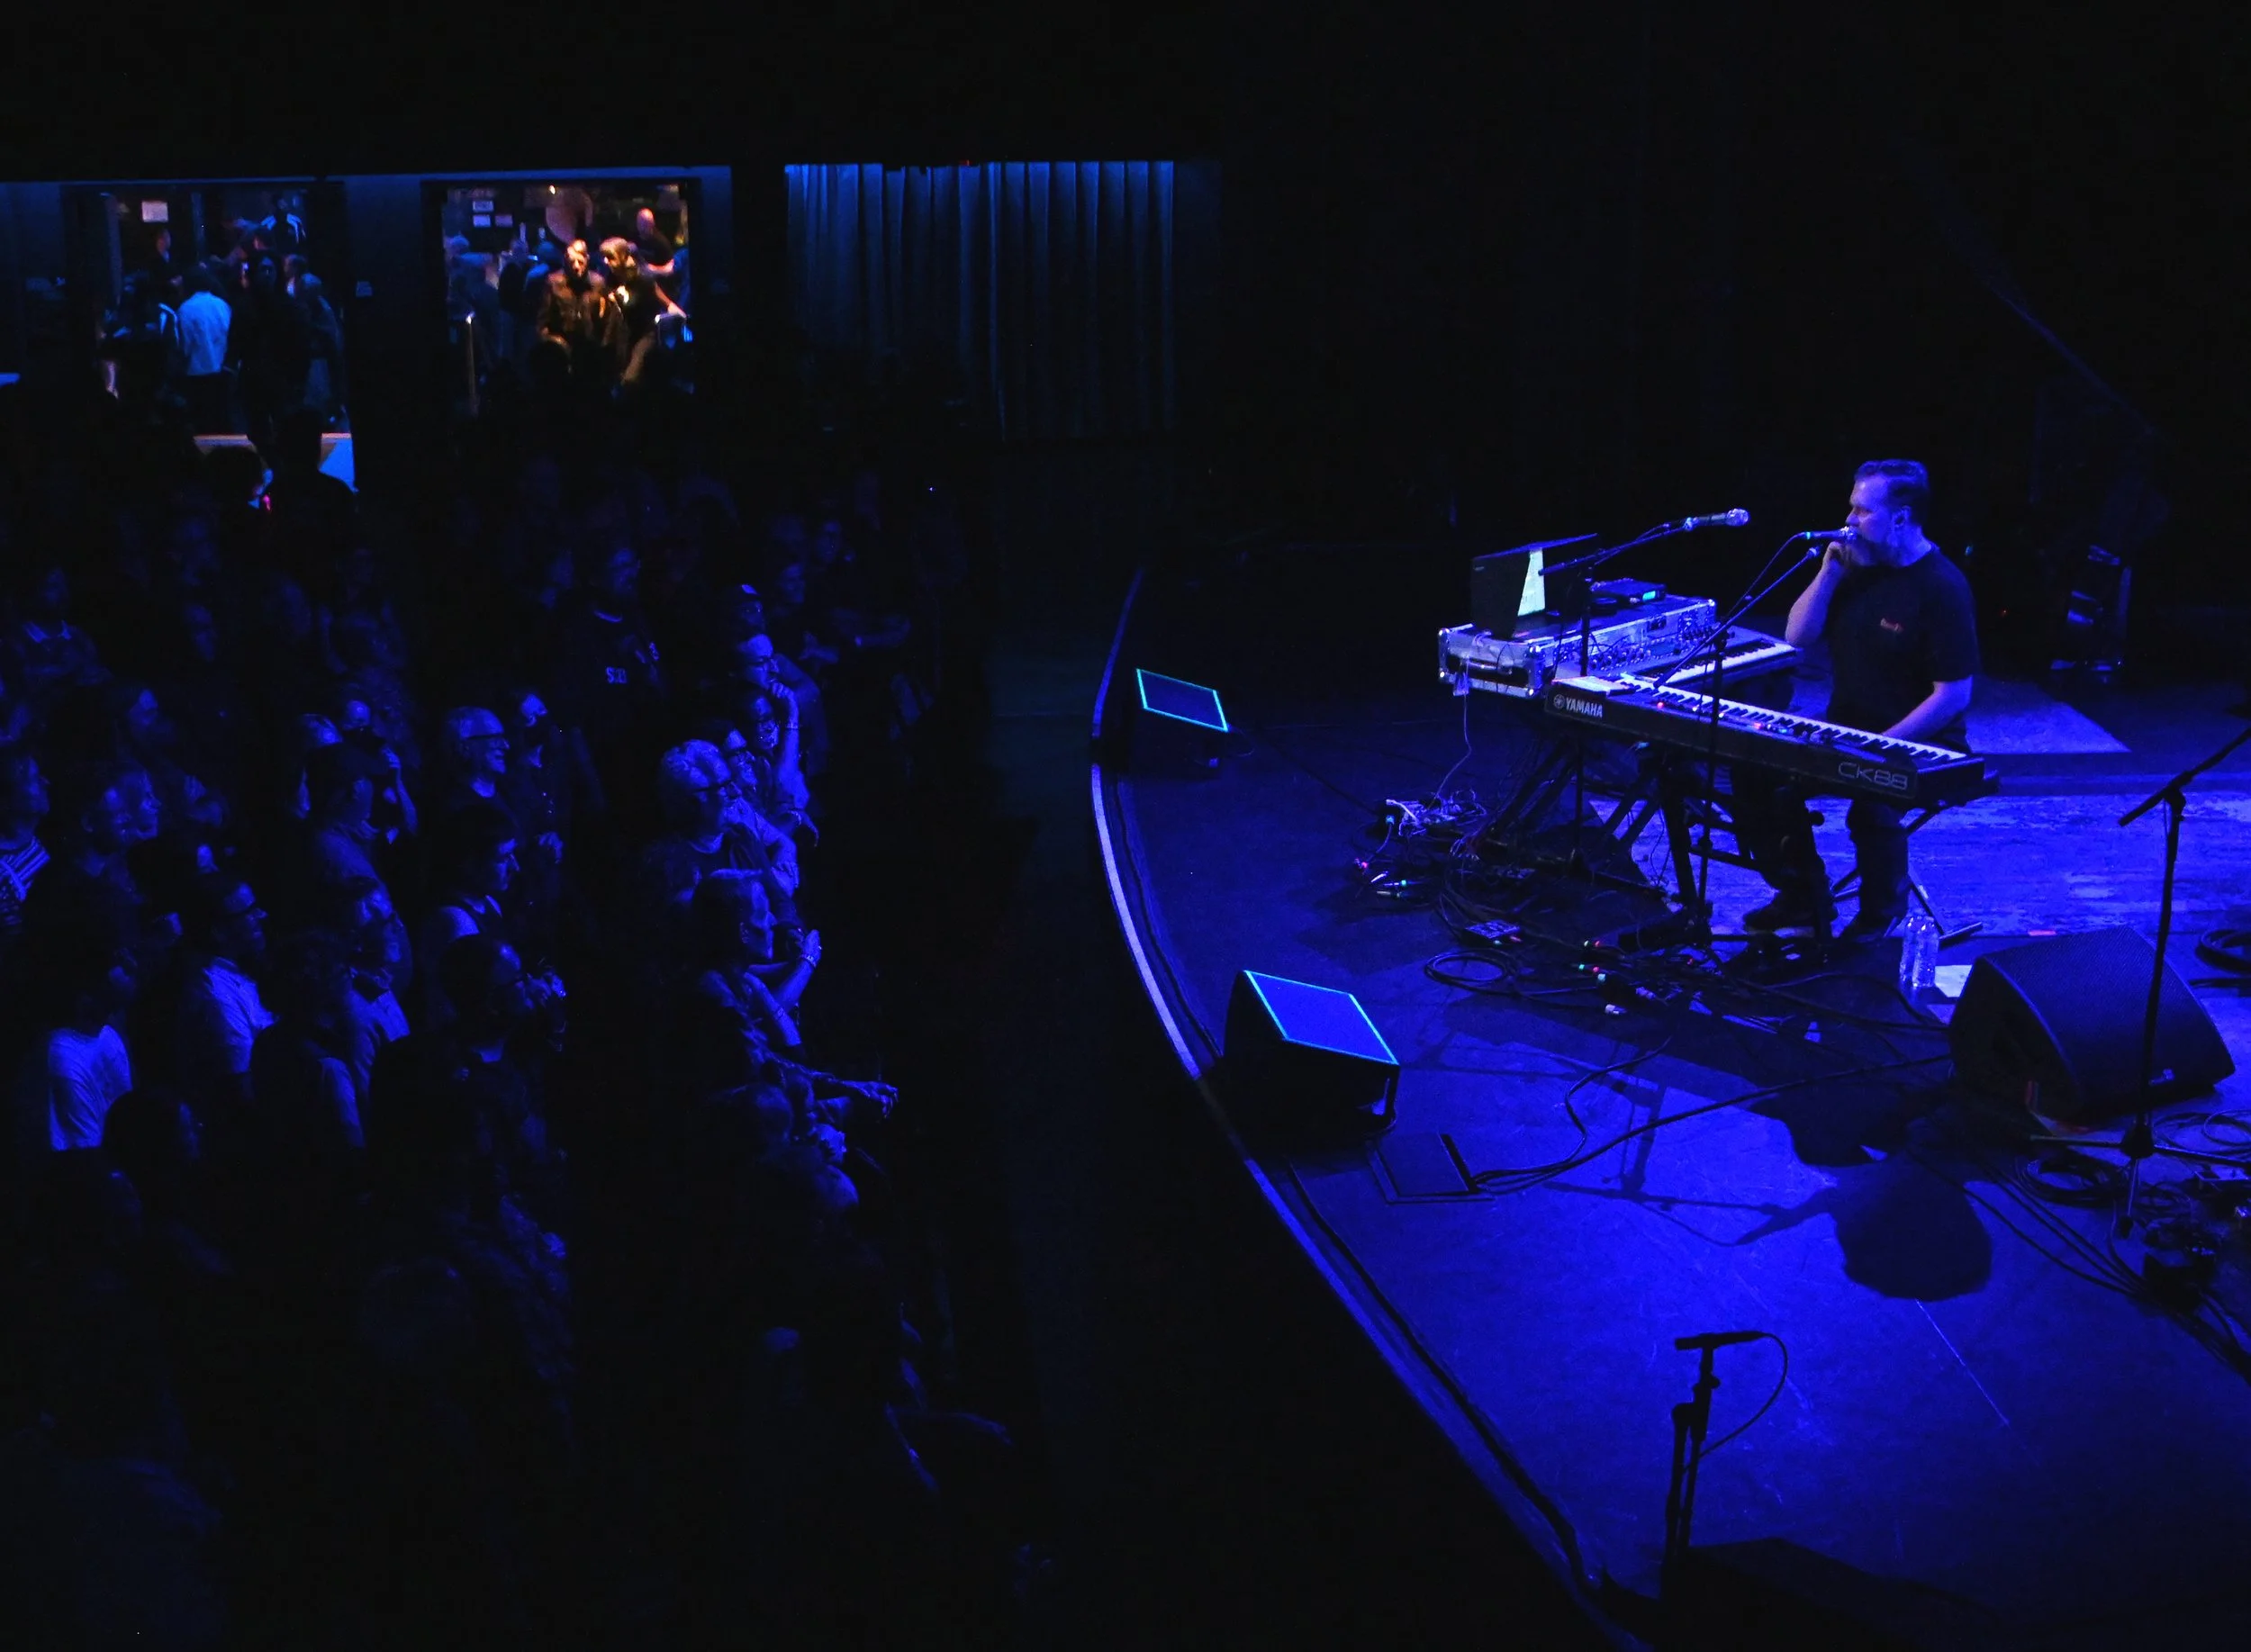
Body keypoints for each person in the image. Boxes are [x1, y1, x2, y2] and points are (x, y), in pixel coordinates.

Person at [1734, 460, 1980, 939]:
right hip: (1847, 726)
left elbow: (1953, 697)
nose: (1848, 521)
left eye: (1862, 511)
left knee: (1872, 801)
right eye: (1851, 508)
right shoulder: (1856, 568)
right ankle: (1802, 893)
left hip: (1919, 741)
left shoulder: (1942, 588)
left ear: (1902, 518)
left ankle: (1878, 917)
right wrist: (1827, 575)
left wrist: (1880, 745)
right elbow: (1796, 636)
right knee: (1754, 768)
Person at [598, 238, 684, 390]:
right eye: (604, 257)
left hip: (644, 335)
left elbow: (666, 303)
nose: (605, 261)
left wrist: (687, 321)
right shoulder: (610, 278)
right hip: (622, 335)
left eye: (610, 257)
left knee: (631, 380)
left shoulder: (643, 279)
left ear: (624, 257)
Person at [177, 264, 234, 433]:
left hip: (198, 373)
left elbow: (185, 345)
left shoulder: (186, 309)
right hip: (223, 370)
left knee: (203, 424)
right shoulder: (222, 304)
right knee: (223, 419)